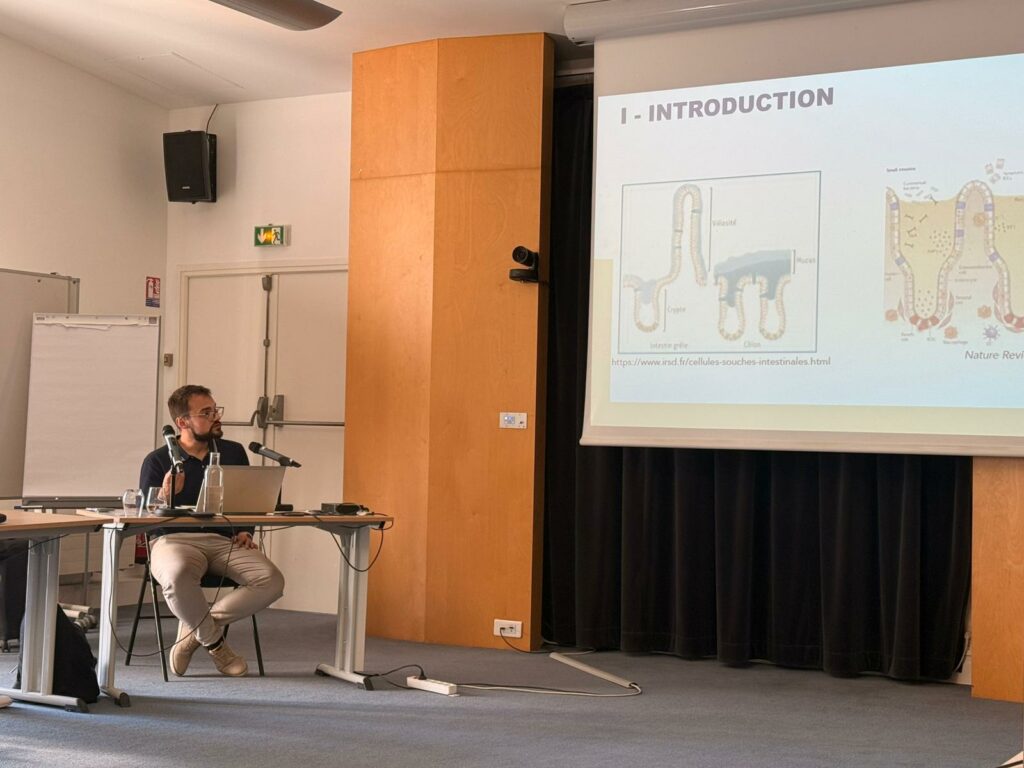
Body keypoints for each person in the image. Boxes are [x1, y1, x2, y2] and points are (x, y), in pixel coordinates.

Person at [139, 384, 284, 677]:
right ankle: (217, 647)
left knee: (271, 580)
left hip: (223, 539)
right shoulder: (158, 460)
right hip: (173, 540)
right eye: (206, 413)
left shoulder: (233, 452)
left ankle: (193, 629)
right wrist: (166, 495)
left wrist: (246, 530)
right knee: (177, 574)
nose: (216, 417)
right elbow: (144, 517)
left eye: (216, 410)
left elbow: (246, 500)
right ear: (182, 422)